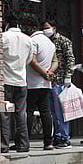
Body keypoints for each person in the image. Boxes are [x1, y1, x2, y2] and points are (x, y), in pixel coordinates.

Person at [0, 14, 35, 153]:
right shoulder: (28, 40)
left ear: (6, 23)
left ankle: (4, 145)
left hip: (6, 80)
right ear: (18, 25)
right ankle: (23, 145)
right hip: (21, 81)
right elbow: (28, 60)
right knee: (21, 114)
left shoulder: (3, 37)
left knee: (5, 114)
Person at [42, 21, 76, 148]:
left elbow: (70, 59)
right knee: (53, 112)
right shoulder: (45, 42)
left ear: (54, 28)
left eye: (47, 28)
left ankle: (64, 137)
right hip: (48, 81)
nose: (45, 30)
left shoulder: (63, 41)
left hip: (60, 80)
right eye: (44, 28)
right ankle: (57, 135)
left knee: (61, 111)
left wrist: (68, 76)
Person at [26, 22, 58, 151]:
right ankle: (48, 142)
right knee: (45, 112)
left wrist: (44, 73)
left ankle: (24, 141)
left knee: (29, 112)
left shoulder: (32, 41)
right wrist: (50, 72)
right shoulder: (50, 43)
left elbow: (32, 61)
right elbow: (55, 61)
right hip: (46, 84)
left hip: (33, 83)